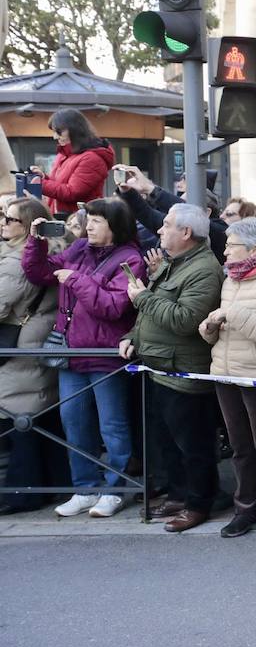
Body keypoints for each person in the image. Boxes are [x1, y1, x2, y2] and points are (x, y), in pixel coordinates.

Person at [22, 197, 144, 518]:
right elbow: (40, 273)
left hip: (104, 354)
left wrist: (75, 279)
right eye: (87, 219)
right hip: (71, 353)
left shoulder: (131, 258)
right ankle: (85, 488)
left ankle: (115, 489)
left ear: (114, 226)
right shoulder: (79, 249)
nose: (88, 226)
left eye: (96, 221)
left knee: (112, 426)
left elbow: (113, 307)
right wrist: (36, 242)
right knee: (74, 423)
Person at [120, 204, 224, 533]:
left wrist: (142, 299)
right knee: (167, 441)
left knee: (193, 444)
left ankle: (199, 503)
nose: (160, 231)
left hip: (184, 371)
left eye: (167, 225)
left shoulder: (204, 269)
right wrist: (132, 336)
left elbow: (183, 320)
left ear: (186, 233)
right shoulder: (173, 263)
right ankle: (179, 494)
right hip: (158, 365)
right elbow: (150, 312)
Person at [199, 218, 256, 539]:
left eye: (230, 245)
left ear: (253, 248)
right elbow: (224, 330)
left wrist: (232, 315)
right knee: (239, 447)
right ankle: (246, 508)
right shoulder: (230, 279)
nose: (224, 251)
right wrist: (209, 329)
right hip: (225, 373)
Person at [0, 198, 64, 515]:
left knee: (19, 415)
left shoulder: (15, 262)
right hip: (40, 340)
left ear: (26, 225)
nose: (3, 222)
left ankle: (22, 493)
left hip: (20, 346)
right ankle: (54, 483)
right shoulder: (49, 250)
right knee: (42, 413)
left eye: (9, 218)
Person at [34, 109, 115, 215]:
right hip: (63, 217)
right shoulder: (64, 154)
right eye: (54, 132)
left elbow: (72, 192)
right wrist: (44, 178)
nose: (55, 137)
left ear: (74, 130)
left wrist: (41, 184)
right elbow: (58, 185)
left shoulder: (92, 159)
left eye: (58, 132)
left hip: (80, 222)